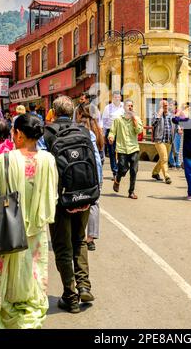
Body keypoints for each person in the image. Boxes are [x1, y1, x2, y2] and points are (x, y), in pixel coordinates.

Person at [0, 114, 58, 329]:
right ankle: (29, 310)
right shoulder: (48, 159)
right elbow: (53, 195)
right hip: (37, 228)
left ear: (19, 134)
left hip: (7, 227)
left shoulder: (6, 159)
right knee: (33, 271)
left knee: (6, 270)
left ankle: (7, 311)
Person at [43, 95, 97, 313]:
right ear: (72, 112)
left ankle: (70, 295)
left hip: (60, 199)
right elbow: (97, 165)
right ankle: (84, 284)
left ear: (53, 113)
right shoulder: (85, 132)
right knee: (79, 241)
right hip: (84, 196)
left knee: (62, 246)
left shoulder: (46, 135)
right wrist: (94, 194)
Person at [75, 103, 103, 251]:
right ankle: (90, 238)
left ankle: (79, 234)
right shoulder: (97, 128)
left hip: (82, 170)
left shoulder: (80, 128)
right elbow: (99, 155)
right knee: (94, 203)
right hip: (95, 172)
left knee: (79, 202)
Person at [109, 99, 143, 199]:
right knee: (123, 169)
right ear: (124, 107)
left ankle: (131, 192)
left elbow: (139, 131)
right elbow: (112, 131)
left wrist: (134, 120)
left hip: (134, 148)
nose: (130, 107)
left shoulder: (136, 118)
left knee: (134, 170)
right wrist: (111, 137)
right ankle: (117, 179)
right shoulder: (118, 120)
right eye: (128, 105)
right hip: (122, 149)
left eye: (132, 105)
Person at [102, 91, 124, 180]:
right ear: (112, 98)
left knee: (122, 152)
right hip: (110, 132)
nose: (117, 99)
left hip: (121, 132)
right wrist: (103, 135)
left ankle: (120, 170)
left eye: (118, 97)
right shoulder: (108, 108)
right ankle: (115, 172)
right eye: (115, 97)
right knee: (112, 153)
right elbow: (103, 122)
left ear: (121, 98)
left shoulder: (124, 106)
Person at [151, 99, 173, 184]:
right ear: (160, 107)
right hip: (160, 140)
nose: (166, 107)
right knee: (164, 158)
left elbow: (175, 125)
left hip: (169, 140)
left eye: (166, 105)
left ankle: (155, 173)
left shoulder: (171, 115)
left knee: (163, 158)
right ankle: (167, 176)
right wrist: (159, 114)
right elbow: (153, 123)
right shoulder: (156, 115)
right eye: (164, 106)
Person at [168, 101, 182, 170]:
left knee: (177, 149)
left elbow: (181, 122)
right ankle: (172, 163)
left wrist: (179, 128)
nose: (170, 106)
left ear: (175, 106)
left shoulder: (179, 113)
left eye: (171, 105)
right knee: (169, 149)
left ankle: (178, 164)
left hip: (176, 133)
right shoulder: (168, 113)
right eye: (169, 105)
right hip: (169, 134)